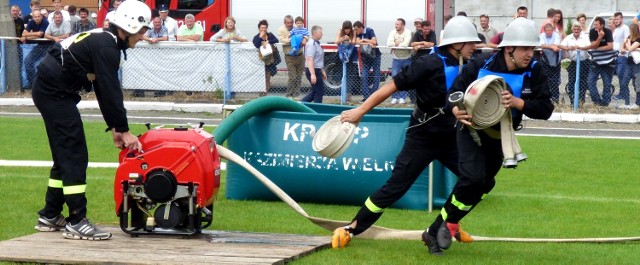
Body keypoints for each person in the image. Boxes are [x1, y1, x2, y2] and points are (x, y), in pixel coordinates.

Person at [332, 16, 481, 253]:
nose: (475, 46)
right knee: (396, 187)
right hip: (422, 135)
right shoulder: (428, 64)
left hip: (452, 135)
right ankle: (351, 229)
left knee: (478, 179)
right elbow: (390, 87)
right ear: (456, 43)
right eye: (471, 42)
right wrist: (360, 111)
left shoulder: (470, 64)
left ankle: (445, 226)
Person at [428, 17, 553, 255]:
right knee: (473, 180)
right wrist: (455, 109)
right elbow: (453, 93)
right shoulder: (481, 63)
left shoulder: (535, 71)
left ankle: (437, 229)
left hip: (501, 137)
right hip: (470, 131)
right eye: (525, 48)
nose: (530, 54)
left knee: (483, 184)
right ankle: (447, 226)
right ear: (509, 48)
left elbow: (546, 109)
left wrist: (519, 102)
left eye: (532, 49)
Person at [32, 0, 148, 240]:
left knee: (65, 154)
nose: (144, 36)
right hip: (55, 94)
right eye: (142, 30)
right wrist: (124, 130)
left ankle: (50, 214)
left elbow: (102, 89)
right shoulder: (108, 47)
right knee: (74, 154)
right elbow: (109, 90)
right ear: (128, 26)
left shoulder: (106, 40)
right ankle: (77, 220)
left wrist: (116, 127)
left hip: (52, 91)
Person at [559, 22, 591, 106]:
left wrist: (580, 48)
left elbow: (589, 46)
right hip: (573, 62)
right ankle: (572, 101)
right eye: (575, 29)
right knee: (572, 82)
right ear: (572, 30)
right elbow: (560, 45)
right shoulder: (569, 37)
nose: (576, 31)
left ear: (580, 29)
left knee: (583, 83)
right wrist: (568, 48)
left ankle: (581, 101)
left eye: (578, 29)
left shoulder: (585, 37)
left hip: (584, 62)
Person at [587, 16, 615, 106]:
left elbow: (610, 46)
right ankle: (597, 101)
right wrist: (600, 37)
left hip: (608, 61)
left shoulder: (608, 31)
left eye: (596, 25)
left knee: (607, 83)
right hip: (595, 61)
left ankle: (605, 102)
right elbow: (593, 46)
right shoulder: (592, 32)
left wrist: (597, 48)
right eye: (594, 24)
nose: (595, 26)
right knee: (590, 82)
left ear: (602, 25)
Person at [277, 15, 306, 98]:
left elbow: (305, 35)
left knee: (299, 76)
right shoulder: (281, 30)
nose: (290, 24)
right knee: (292, 76)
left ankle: (296, 95)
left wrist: (304, 39)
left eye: (291, 22)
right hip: (289, 56)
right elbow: (282, 40)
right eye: (288, 23)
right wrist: (293, 39)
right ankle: (289, 95)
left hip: (300, 55)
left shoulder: (297, 27)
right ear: (284, 23)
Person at [22, 9, 50, 93]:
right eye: (35, 17)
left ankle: (46, 85)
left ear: (41, 16)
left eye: (38, 16)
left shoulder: (45, 22)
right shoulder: (31, 22)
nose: (37, 18)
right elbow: (23, 34)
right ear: (33, 17)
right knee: (27, 61)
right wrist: (30, 35)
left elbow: (40, 34)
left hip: (49, 46)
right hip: (39, 46)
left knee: (44, 65)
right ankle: (33, 84)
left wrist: (27, 36)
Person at [353, 21, 381, 102]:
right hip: (365, 57)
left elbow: (374, 42)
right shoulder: (357, 34)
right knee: (364, 76)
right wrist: (367, 41)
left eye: (356, 29)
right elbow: (357, 41)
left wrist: (364, 40)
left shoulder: (369, 30)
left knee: (376, 75)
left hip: (375, 56)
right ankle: (366, 97)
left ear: (361, 27)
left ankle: (374, 96)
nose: (355, 31)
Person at [388, 18, 413, 104]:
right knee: (395, 78)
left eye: (397, 24)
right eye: (395, 24)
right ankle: (395, 97)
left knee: (406, 78)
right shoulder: (392, 32)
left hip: (407, 58)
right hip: (396, 59)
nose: (396, 26)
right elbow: (389, 43)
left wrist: (395, 43)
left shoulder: (408, 32)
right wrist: (397, 43)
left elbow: (405, 45)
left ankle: (403, 97)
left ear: (403, 25)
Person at [252, 19, 279, 95]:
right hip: (261, 61)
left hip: (270, 60)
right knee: (261, 78)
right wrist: (260, 37)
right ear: (259, 28)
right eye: (262, 28)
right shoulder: (256, 37)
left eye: (265, 28)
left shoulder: (270, 35)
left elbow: (276, 40)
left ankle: (266, 93)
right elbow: (256, 44)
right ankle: (261, 94)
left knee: (267, 77)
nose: (263, 29)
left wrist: (268, 42)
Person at [301, 25, 326, 103]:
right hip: (313, 70)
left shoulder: (317, 44)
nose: (322, 34)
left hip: (317, 69)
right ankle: (317, 109)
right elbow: (310, 59)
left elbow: (317, 59)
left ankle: (302, 104)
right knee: (319, 92)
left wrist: (322, 70)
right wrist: (313, 74)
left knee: (316, 91)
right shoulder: (312, 44)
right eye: (320, 32)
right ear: (315, 33)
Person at [335, 20, 358, 101]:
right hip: (342, 54)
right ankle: (342, 94)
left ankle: (349, 94)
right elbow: (336, 41)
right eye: (345, 29)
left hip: (351, 55)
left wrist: (349, 40)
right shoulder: (340, 31)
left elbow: (354, 42)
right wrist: (343, 38)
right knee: (342, 74)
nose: (347, 31)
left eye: (348, 29)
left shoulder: (353, 32)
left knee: (350, 75)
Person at [539, 23, 562, 103]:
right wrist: (551, 47)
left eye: (550, 30)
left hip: (556, 62)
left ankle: (556, 100)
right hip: (545, 62)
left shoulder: (556, 35)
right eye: (547, 31)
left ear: (552, 30)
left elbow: (556, 44)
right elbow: (541, 45)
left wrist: (547, 46)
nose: (549, 32)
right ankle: (546, 100)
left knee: (555, 82)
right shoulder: (542, 35)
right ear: (544, 31)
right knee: (545, 81)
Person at [612, 12, 631, 105]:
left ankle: (625, 97)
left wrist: (623, 48)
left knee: (622, 76)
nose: (616, 21)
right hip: (616, 56)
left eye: (617, 19)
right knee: (620, 76)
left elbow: (627, 39)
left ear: (621, 19)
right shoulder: (616, 30)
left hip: (623, 56)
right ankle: (622, 94)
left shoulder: (625, 28)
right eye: (615, 19)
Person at [622, 23, 640, 109]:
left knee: (637, 84)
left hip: (637, 64)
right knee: (624, 82)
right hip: (629, 63)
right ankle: (627, 102)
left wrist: (628, 43)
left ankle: (637, 103)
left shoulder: (638, 39)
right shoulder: (628, 38)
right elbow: (623, 49)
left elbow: (629, 49)